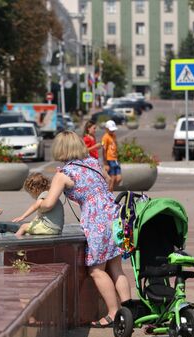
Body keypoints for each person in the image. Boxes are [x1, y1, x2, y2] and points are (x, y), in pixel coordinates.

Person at [40, 131, 131, 327]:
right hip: (115, 214)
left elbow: (48, 203)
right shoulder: (92, 162)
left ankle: (114, 313)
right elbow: (108, 183)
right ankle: (130, 311)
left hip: (97, 219)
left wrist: (36, 205)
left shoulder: (64, 174)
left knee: (97, 270)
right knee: (116, 266)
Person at [12, 172, 64, 237]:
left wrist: (22, 216)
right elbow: (39, 216)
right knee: (29, 228)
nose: (31, 196)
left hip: (48, 228)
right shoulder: (50, 195)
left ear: (34, 190)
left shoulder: (44, 194)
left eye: (30, 193)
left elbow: (35, 206)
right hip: (56, 229)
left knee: (23, 227)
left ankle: (15, 241)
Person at [101, 120, 122, 191]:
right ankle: (110, 193)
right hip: (109, 159)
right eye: (111, 130)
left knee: (119, 178)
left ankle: (109, 190)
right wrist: (105, 163)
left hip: (115, 159)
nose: (113, 131)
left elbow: (115, 146)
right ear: (106, 129)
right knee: (112, 178)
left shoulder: (114, 136)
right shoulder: (105, 137)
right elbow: (104, 150)